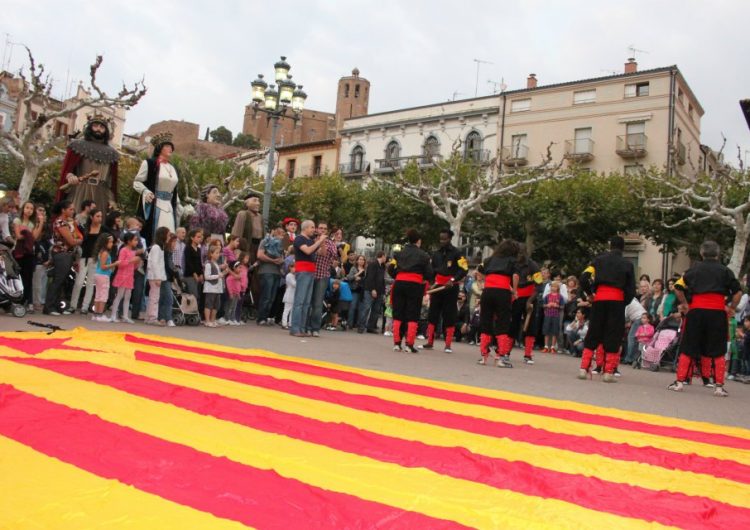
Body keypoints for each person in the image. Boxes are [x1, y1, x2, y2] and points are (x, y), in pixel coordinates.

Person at [668, 240, 741, 397]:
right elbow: (737, 292)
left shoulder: (693, 270)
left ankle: (680, 382)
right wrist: (731, 308)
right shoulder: (725, 271)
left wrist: (685, 304)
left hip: (697, 311)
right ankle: (719, 386)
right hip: (717, 312)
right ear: (718, 254)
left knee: (688, 345)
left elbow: (678, 287)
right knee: (718, 348)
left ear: (702, 253)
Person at [577, 236, 636, 382]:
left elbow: (583, 277)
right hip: (617, 301)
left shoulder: (598, 261)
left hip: (600, 299)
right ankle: (608, 372)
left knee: (594, 332)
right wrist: (624, 301)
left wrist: (590, 294)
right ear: (623, 248)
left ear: (610, 246)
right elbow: (631, 289)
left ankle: (584, 369)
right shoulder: (627, 264)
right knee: (613, 334)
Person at [55, 114, 119, 212]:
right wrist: (70, 176)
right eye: (95, 126)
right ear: (90, 128)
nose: (98, 129)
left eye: (102, 127)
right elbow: (68, 169)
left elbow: (111, 181)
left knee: (98, 222)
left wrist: (111, 199)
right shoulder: (77, 145)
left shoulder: (112, 153)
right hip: (79, 189)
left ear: (106, 131)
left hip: (101, 193)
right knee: (76, 219)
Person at [421, 229, 468, 354]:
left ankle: (448, 345)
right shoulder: (436, 254)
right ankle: (429, 342)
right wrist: (431, 283)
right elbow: (432, 270)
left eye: (445, 239)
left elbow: (464, 269)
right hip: (438, 286)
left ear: (450, 239)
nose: (442, 241)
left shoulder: (457, 253)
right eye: (441, 239)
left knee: (449, 315)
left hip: (451, 287)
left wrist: (453, 279)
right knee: (433, 314)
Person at [387, 229, 434, 353]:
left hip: (399, 283)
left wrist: (398, 276)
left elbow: (391, 268)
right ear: (419, 241)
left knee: (398, 313)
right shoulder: (424, 255)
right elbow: (429, 273)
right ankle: (409, 344)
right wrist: (423, 279)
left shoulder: (399, 253)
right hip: (414, 285)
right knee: (412, 314)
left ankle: (397, 343)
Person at [133, 132, 183, 245]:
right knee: (156, 236)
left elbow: (174, 190)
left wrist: (178, 204)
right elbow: (137, 182)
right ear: (160, 148)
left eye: (171, 147)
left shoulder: (173, 168)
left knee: (169, 237)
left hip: (169, 206)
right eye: (167, 146)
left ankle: (166, 260)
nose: (170, 149)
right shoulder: (149, 163)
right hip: (155, 205)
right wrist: (145, 191)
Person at [477, 239, 519, 367]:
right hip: (502, 293)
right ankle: (500, 357)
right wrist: (514, 291)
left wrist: (488, 281)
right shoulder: (512, 260)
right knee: (503, 323)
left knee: (485, 322)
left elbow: (479, 272)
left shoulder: (489, 260)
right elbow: (515, 276)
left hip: (488, 291)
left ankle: (484, 356)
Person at [44, 200, 82, 316]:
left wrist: (77, 239)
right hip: (61, 254)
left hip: (68, 254)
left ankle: (57, 306)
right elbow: (71, 240)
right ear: (63, 210)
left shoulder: (68, 222)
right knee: (57, 280)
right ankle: (49, 307)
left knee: (62, 281)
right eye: (70, 209)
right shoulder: (60, 222)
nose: (73, 211)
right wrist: (78, 241)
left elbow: (77, 236)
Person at [290, 220, 327, 337]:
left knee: (306, 303)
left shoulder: (311, 241)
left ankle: (302, 328)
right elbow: (308, 250)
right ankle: (295, 328)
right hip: (303, 271)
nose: (314, 229)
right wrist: (319, 241)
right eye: (312, 227)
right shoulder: (299, 239)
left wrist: (322, 243)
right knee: (299, 301)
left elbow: (322, 253)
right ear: (305, 228)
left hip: (311, 272)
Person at [510, 245, 542, 363]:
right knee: (513, 324)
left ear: (526, 253)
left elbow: (539, 285)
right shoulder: (512, 265)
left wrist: (530, 301)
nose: (519, 255)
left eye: (521, 253)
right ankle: (506, 352)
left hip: (530, 297)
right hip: (516, 296)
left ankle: (528, 355)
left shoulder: (533, 265)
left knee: (531, 327)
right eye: (517, 253)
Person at [69, 208, 103, 314]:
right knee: (78, 282)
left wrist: (103, 251)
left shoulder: (103, 229)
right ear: (91, 217)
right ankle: (72, 305)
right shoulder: (85, 228)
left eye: (101, 216)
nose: (100, 218)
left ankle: (85, 307)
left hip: (95, 258)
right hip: (84, 257)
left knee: (90, 283)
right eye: (97, 216)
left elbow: (112, 238)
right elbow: (77, 233)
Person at [309, 221, 339, 337]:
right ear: (316, 229)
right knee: (307, 302)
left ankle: (315, 328)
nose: (322, 230)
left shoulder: (331, 243)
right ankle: (305, 326)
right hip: (310, 275)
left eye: (324, 229)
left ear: (327, 231)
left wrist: (321, 241)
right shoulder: (310, 241)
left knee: (317, 303)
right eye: (320, 228)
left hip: (322, 275)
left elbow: (324, 253)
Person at [12, 201, 43, 312]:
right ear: (23, 208)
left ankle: (27, 301)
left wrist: (41, 223)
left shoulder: (32, 223)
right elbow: (19, 236)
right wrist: (27, 233)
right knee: (17, 276)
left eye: (31, 208)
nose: (29, 210)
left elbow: (34, 237)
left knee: (28, 278)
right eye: (27, 208)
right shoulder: (17, 220)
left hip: (29, 253)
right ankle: (16, 299)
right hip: (19, 252)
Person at [109, 232, 141, 323]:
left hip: (129, 276)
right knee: (120, 295)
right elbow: (120, 264)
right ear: (128, 241)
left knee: (128, 296)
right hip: (122, 275)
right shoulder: (123, 250)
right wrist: (132, 260)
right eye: (135, 240)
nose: (136, 242)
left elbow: (133, 267)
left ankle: (125, 316)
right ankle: (113, 315)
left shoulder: (133, 252)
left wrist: (136, 263)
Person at [256, 226, 285, 325]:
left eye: (283, 234)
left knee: (272, 298)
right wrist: (273, 260)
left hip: (276, 272)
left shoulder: (281, 245)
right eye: (280, 233)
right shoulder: (265, 241)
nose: (282, 236)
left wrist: (281, 261)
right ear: (276, 233)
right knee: (266, 296)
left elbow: (282, 258)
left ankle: (266, 317)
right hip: (266, 271)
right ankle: (261, 318)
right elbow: (259, 255)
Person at [91, 234, 119, 322]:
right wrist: (115, 264)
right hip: (103, 275)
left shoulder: (101, 252)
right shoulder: (105, 253)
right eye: (110, 242)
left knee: (98, 294)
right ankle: (100, 314)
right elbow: (103, 266)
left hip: (99, 275)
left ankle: (96, 314)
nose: (112, 244)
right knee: (103, 295)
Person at [145, 227, 169, 325]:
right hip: (155, 277)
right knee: (154, 297)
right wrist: (158, 277)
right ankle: (152, 318)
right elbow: (154, 263)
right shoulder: (156, 247)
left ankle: (149, 317)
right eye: (167, 234)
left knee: (153, 297)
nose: (168, 236)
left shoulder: (160, 247)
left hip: (156, 276)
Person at [358, 251, 387, 334]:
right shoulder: (373, 264)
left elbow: (382, 280)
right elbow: (370, 277)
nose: (386, 258)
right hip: (370, 289)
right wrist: (373, 289)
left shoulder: (383, 266)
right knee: (366, 308)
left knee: (376, 310)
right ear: (382, 256)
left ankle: (370, 327)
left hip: (380, 291)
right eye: (385, 256)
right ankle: (361, 326)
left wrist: (383, 292)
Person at [203, 244, 227, 327]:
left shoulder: (216, 264)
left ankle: (213, 320)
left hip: (217, 288)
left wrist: (223, 273)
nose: (218, 255)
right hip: (210, 288)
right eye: (216, 253)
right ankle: (207, 320)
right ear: (211, 254)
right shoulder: (208, 264)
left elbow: (219, 275)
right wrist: (218, 276)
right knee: (209, 304)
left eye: (218, 253)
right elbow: (207, 277)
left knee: (216, 305)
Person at [159, 234, 177, 327]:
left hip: (167, 277)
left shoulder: (169, 252)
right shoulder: (166, 252)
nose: (175, 244)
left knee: (163, 297)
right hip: (164, 277)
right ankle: (168, 318)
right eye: (173, 242)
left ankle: (162, 317)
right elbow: (168, 266)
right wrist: (175, 272)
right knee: (168, 298)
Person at [542, 281, 565, 353]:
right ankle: (546, 346)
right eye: (552, 286)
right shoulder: (547, 296)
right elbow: (543, 305)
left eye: (555, 287)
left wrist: (557, 306)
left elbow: (562, 306)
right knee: (546, 330)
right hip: (548, 314)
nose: (553, 288)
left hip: (556, 315)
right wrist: (547, 305)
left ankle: (553, 347)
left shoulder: (560, 296)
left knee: (555, 331)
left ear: (557, 288)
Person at [183, 229, 204, 306]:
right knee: (193, 295)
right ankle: (190, 313)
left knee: (198, 295)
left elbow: (199, 263)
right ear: (192, 238)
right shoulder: (188, 248)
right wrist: (194, 273)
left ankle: (195, 314)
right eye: (198, 237)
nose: (200, 239)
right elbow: (188, 262)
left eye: (200, 237)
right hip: (189, 275)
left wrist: (201, 274)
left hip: (198, 275)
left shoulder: (198, 249)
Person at [346, 254, 367, 330]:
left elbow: (367, 280)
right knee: (352, 307)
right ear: (357, 260)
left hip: (363, 291)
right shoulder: (353, 268)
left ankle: (359, 324)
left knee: (361, 309)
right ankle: (350, 324)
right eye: (360, 259)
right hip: (354, 290)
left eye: (363, 260)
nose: (361, 261)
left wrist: (361, 279)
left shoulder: (366, 270)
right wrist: (357, 274)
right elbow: (349, 277)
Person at [282, 262, 296, 329]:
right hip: (289, 295)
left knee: (292, 311)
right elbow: (294, 284)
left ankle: (290, 323)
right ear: (290, 268)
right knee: (286, 310)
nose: (295, 269)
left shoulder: (294, 276)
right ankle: (284, 323)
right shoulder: (289, 275)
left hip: (293, 296)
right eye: (293, 267)